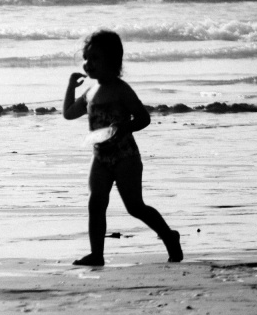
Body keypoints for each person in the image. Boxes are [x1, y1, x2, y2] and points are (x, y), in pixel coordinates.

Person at [62, 30, 182, 267]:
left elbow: (143, 118)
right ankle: (97, 254)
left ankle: (169, 236)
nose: (88, 63)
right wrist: (70, 87)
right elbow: (68, 113)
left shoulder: (121, 89)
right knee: (96, 203)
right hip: (100, 158)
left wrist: (126, 126)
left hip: (126, 156)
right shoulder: (91, 92)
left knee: (135, 206)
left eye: (95, 58)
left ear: (113, 61)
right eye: (86, 58)